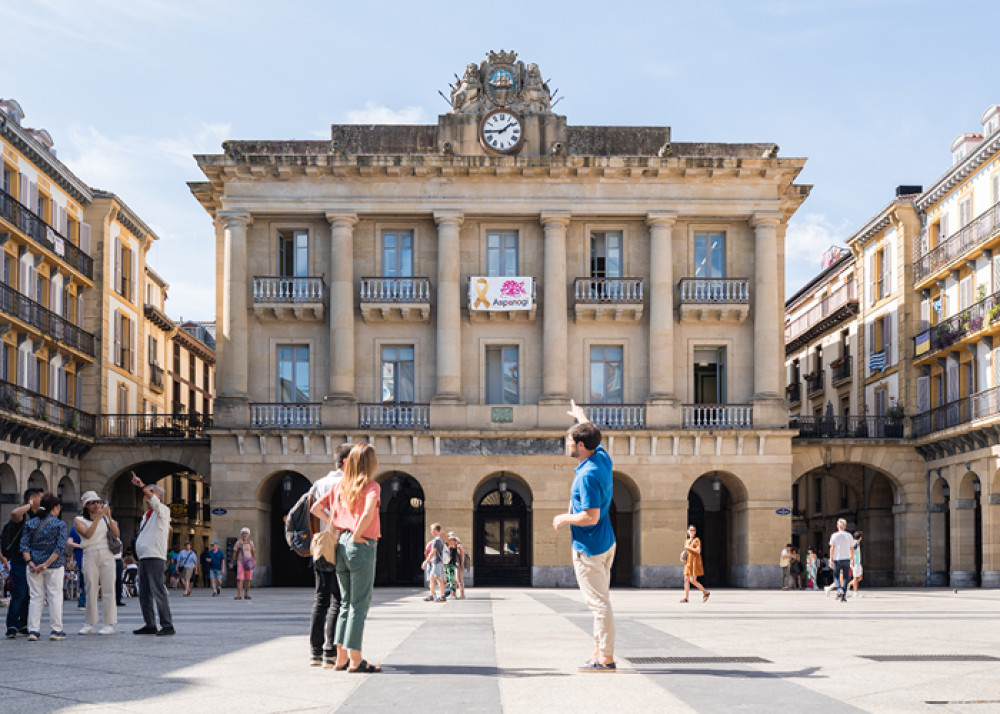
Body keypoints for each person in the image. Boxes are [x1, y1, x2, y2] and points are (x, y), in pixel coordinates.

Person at [553, 400, 617, 673]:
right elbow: (591, 431)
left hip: (588, 548)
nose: (567, 444)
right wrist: (579, 415)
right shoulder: (601, 457)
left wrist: (563, 517)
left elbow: (590, 516)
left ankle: (605, 658)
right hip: (605, 542)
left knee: (599, 605)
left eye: (569, 440)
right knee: (601, 600)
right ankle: (598, 652)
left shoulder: (587, 476)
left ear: (580, 446)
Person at [315, 443, 382, 673]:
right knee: (358, 605)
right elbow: (368, 512)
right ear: (369, 463)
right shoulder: (372, 486)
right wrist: (357, 534)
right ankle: (356, 659)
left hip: (340, 545)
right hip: (359, 546)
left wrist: (337, 526)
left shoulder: (340, 487)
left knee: (345, 603)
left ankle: (341, 657)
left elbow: (315, 507)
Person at [307, 442, 353, 667]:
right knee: (339, 600)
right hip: (340, 545)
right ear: (346, 462)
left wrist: (326, 522)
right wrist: (336, 523)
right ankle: (330, 651)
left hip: (320, 545)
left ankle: (315, 652)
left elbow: (313, 509)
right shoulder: (347, 483)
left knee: (321, 598)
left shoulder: (319, 483)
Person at [131, 472, 174, 636]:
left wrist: (142, 485)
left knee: (158, 591)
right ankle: (150, 623)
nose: (145, 496)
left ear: (158, 496)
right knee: (144, 593)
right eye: (145, 493)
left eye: (149, 492)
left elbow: (154, 502)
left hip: (155, 556)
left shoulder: (162, 511)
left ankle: (167, 625)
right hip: (144, 557)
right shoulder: (146, 516)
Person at [20, 493, 68, 641]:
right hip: (53, 566)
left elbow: (24, 546)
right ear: (56, 508)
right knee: (55, 597)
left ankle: (33, 631)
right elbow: (59, 548)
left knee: (35, 597)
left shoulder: (31, 523)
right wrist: (46, 564)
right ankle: (56, 630)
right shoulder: (60, 524)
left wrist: (30, 563)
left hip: (33, 566)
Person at [74, 491, 119, 635]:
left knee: (108, 589)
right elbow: (87, 534)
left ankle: (109, 623)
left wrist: (109, 516)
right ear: (86, 505)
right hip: (90, 553)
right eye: (92, 502)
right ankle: (90, 622)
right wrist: (99, 516)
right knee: (91, 589)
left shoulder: (105, 518)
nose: (96, 505)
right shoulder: (79, 519)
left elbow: (116, 534)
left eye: (98, 502)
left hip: (107, 553)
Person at [3, 487, 43, 638]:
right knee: (20, 592)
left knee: (30, 593)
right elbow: (14, 514)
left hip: (34, 560)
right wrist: (29, 505)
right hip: (20, 560)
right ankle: (12, 625)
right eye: (40, 497)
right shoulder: (23, 515)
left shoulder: (38, 515)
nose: (43, 499)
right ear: (32, 498)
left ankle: (24, 623)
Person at [680, 524, 710, 603]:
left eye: (693, 530)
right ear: (688, 531)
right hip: (688, 561)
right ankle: (686, 598)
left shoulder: (697, 540)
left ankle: (705, 592)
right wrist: (683, 557)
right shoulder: (686, 541)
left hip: (695, 560)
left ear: (695, 532)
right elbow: (686, 551)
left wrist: (689, 547)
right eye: (690, 530)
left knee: (693, 581)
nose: (691, 532)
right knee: (686, 579)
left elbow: (698, 551)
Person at [828, 518, 855, 603]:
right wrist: (852, 558)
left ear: (837, 526)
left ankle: (839, 589)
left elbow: (832, 548)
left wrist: (830, 559)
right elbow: (852, 548)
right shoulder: (849, 535)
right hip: (846, 559)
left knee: (836, 576)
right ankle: (843, 597)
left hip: (837, 559)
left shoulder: (834, 535)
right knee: (846, 578)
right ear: (845, 526)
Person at [421, 524, 447, 602]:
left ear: (435, 531)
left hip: (436, 562)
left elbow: (432, 552)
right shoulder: (442, 539)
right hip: (438, 561)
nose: (431, 532)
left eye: (432, 530)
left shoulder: (436, 540)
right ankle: (431, 595)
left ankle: (442, 596)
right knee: (432, 579)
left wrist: (426, 562)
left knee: (438, 579)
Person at [233, 528, 255, 600]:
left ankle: (246, 593)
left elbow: (253, 551)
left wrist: (253, 560)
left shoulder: (251, 543)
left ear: (248, 534)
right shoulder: (238, 543)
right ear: (241, 534)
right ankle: (239, 594)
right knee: (240, 579)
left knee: (248, 579)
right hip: (240, 562)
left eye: (246, 533)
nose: (245, 535)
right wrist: (233, 561)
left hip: (249, 563)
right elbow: (235, 552)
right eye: (243, 533)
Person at [67, 524, 85, 609]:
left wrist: (79, 545)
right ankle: (83, 601)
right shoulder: (91, 526)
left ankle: (82, 600)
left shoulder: (75, 527)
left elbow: (69, 542)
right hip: (90, 556)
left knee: (83, 580)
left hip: (80, 557)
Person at [447, 532, 466, 599]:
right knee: (453, 580)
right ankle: (453, 594)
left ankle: (462, 594)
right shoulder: (449, 546)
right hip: (451, 564)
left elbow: (462, 555)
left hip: (458, 564)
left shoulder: (458, 546)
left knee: (459, 580)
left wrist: (462, 564)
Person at [848, 531, 864, 598]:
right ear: (860, 538)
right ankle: (855, 592)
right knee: (855, 577)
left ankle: (847, 585)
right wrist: (852, 559)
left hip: (857, 562)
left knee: (860, 577)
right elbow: (852, 550)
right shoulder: (855, 544)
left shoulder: (856, 543)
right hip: (856, 563)